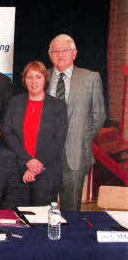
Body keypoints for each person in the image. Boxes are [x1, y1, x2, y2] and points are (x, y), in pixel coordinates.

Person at [47, 34, 106, 211]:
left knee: (71, 209)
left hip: (75, 154)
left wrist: (80, 137)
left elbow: (99, 115)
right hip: (44, 153)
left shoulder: (91, 78)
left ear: (74, 53)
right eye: (55, 51)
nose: (60, 54)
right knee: (42, 207)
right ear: (50, 55)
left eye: (65, 50)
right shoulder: (41, 76)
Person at [2, 61, 68, 206]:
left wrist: (35, 167)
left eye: (38, 77)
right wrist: (28, 161)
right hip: (18, 169)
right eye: (29, 77)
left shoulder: (58, 106)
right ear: (24, 80)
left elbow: (58, 141)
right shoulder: (15, 103)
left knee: (41, 221)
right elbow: (7, 133)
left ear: (45, 79)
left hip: (47, 172)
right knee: (17, 219)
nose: (34, 82)